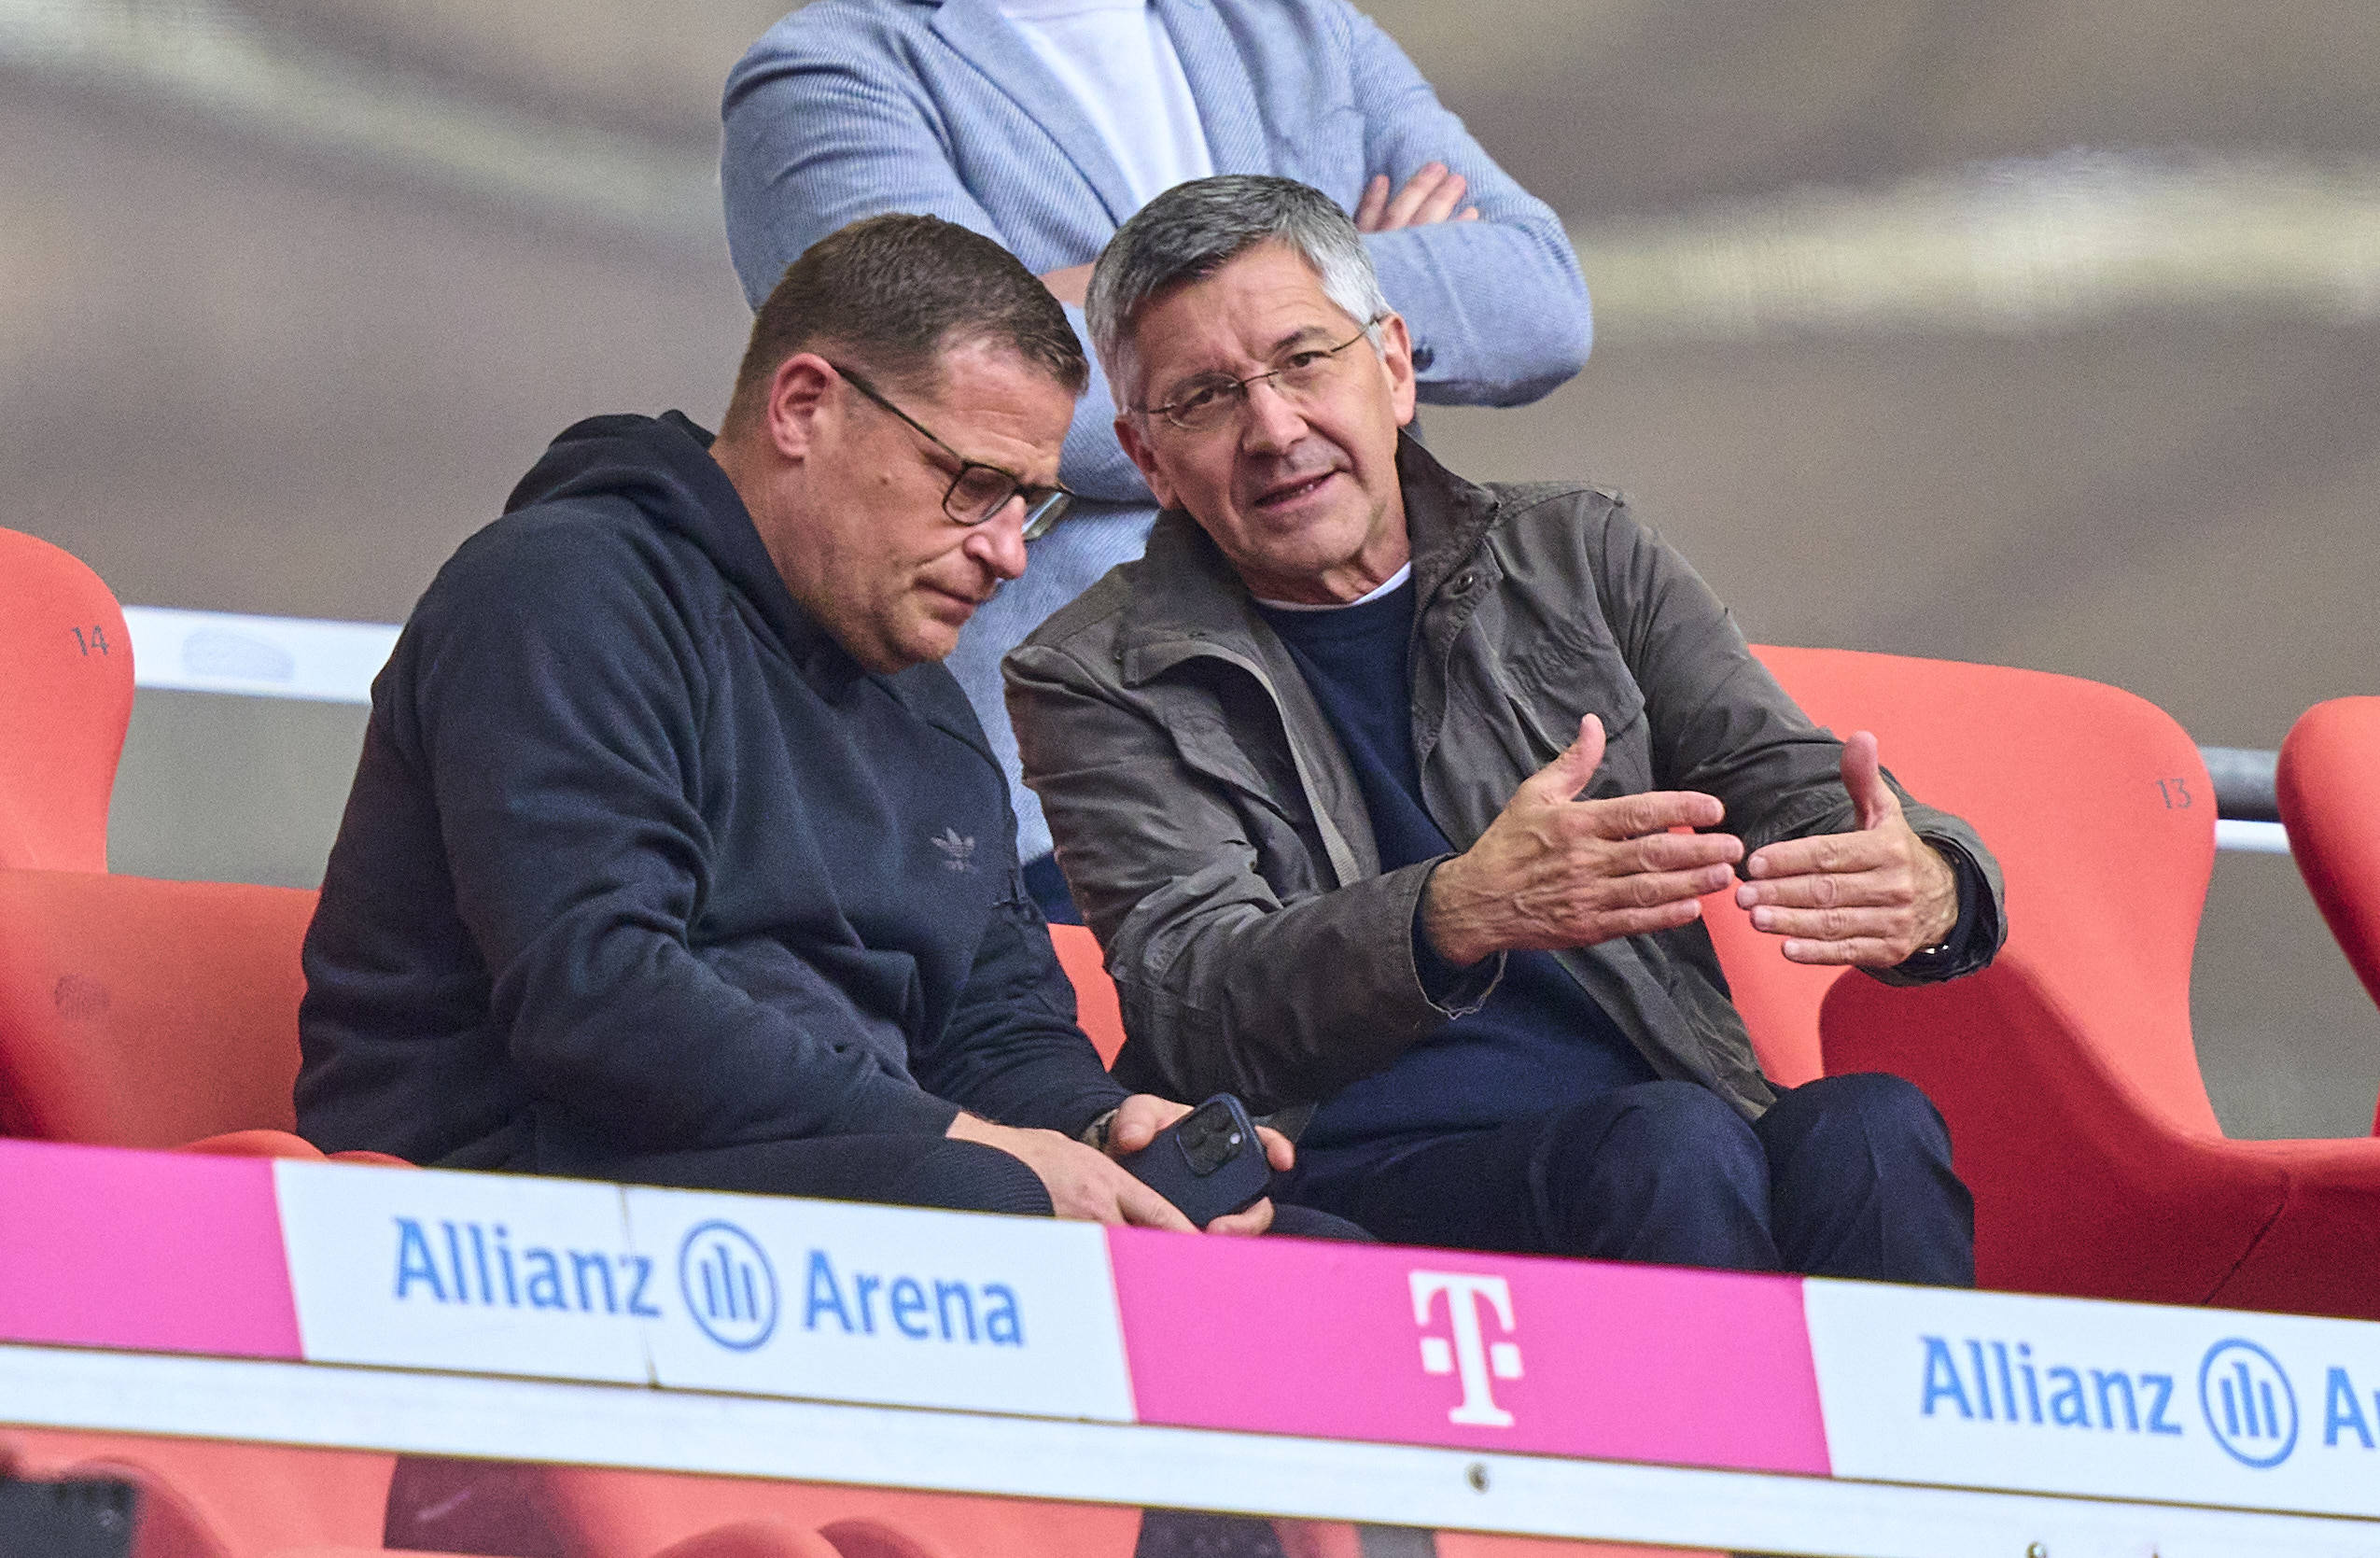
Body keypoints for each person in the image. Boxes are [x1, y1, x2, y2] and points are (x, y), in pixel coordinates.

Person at [1004, 176, 2005, 1282]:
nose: (1274, 428)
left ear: (1391, 366)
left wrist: (1932, 876)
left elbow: (1788, 784)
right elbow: (1193, 997)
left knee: (1873, 1131)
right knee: (1667, 1148)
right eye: (1205, 399)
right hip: (1346, 1166)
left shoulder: (1580, 553)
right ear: (1147, 460)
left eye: (1303, 361)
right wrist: (1456, 910)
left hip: (1668, 1120)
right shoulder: (1089, 674)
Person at [295, 212, 1349, 1241]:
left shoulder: (924, 695)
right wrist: (976, 1144)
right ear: (804, 406)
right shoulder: (560, 591)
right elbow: (600, 999)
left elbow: (995, 1027)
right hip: (514, 1194)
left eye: (1030, 504)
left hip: (848, 1175)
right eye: (974, 486)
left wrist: (1099, 1128)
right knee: (992, 1210)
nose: (1007, 553)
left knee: (1313, 1256)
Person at [721, 0, 1593, 918]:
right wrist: (1332, 277)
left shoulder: (1295, 23)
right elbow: (950, 393)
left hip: (1404, 756)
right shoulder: (823, 77)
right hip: (1090, 800)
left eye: (1303, 350)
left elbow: (1539, 300)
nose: (1273, 427)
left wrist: (1081, 302)